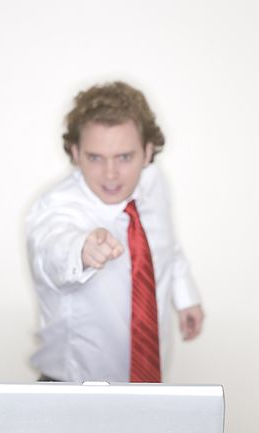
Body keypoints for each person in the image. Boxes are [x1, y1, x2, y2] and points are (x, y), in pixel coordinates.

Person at [26, 81, 204, 383]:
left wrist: (185, 296)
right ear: (75, 152)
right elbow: (51, 251)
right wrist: (81, 250)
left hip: (145, 384)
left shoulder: (153, 182)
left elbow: (166, 244)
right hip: (72, 387)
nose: (110, 174)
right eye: (95, 157)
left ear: (148, 152)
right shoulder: (56, 207)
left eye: (124, 157)